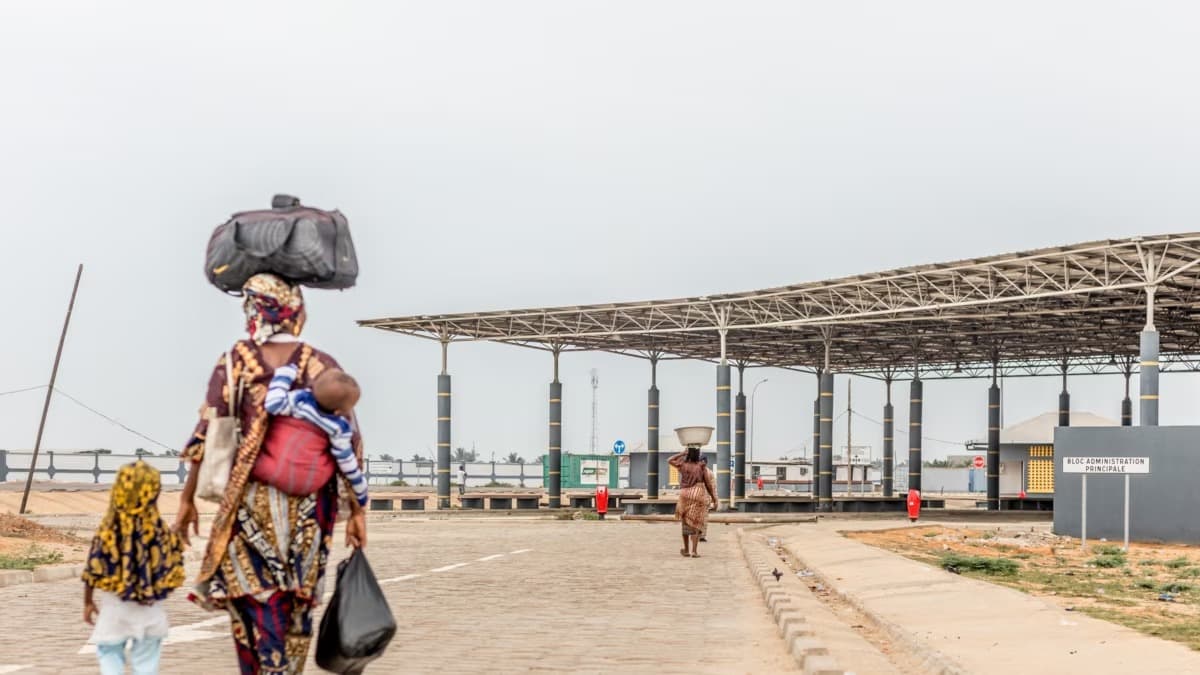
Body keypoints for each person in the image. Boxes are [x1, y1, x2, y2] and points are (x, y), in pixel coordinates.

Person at [174, 273, 366, 674]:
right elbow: (351, 440)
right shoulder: (322, 364)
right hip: (312, 510)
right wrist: (359, 510)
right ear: (296, 313)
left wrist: (186, 499)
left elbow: (207, 431)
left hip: (249, 505)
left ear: (254, 310)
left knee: (252, 601)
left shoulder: (235, 360)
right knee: (298, 605)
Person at [83, 460, 185, 675]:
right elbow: (174, 572)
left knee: (110, 657)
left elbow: (92, 570)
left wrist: (88, 601)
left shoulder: (108, 531)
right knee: (146, 665)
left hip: (114, 612)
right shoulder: (161, 532)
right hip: (150, 612)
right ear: (155, 493)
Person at [264, 364, 369, 508]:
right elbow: (348, 463)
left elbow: (273, 404)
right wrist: (361, 492)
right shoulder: (339, 427)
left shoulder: (300, 400)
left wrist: (285, 374)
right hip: (307, 483)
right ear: (339, 411)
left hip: (270, 469)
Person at [668, 447, 718, 557]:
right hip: (698, 493)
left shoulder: (683, 465)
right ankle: (694, 551)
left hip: (685, 494)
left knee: (685, 523)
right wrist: (714, 499)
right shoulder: (701, 467)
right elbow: (708, 485)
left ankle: (686, 550)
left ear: (688, 455)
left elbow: (669, 460)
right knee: (696, 523)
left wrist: (681, 453)